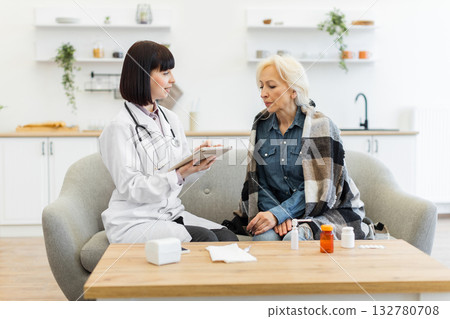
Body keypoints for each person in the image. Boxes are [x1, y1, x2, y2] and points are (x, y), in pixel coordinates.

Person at [99, 40, 238, 243]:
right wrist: (179, 174)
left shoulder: (170, 119)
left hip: (169, 214)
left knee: (228, 237)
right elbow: (132, 188)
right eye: (165, 73)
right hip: (134, 221)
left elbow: (177, 178)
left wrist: (196, 166)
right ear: (143, 75)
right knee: (205, 239)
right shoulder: (119, 127)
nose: (172, 79)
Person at [232, 54, 373, 242]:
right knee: (264, 239)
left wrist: (280, 214)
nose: (263, 93)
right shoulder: (261, 124)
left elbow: (321, 189)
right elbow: (259, 182)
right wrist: (275, 215)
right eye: (261, 86)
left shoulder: (321, 126)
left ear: (293, 90)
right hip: (278, 210)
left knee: (294, 238)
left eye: (271, 86)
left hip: (326, 210)